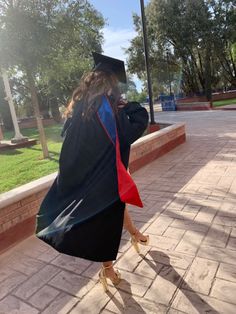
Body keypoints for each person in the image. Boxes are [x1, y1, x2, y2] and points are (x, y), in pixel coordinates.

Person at [36, 52, 149, 292]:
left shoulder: (80, 105)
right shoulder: (107, 108)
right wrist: (131, 107)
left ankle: (134, 233)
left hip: (89, 172)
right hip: (104, 176)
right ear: (109, 81)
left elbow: (70, 140)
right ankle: (107, 270)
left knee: (117, 207)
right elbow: (133, 129)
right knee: (105, 224)